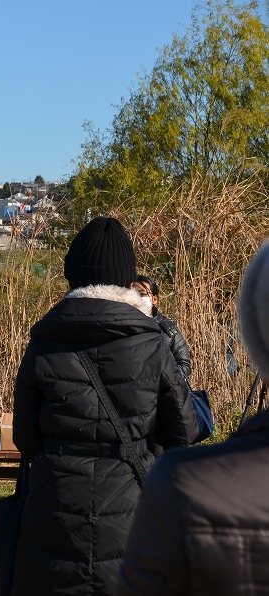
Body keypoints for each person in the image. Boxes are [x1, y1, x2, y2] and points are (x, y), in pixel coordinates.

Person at [11, 216, 199, 595]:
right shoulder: (152, 342)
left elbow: (25, 437)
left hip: (54, 505)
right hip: (133, 509)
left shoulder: (44, 339)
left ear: (73, 276)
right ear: (127, 280)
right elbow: (183, 431)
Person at [116, 239, 269, 595]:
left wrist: (167, 380)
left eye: (145, 292)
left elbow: (183, 363)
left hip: (164, 405)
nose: (139, 297)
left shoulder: (187, 484)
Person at [130, 274, 192, 378]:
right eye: (133, 294)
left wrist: (163, 380)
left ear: (154, 299)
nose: (137, 298)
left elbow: (184, 364)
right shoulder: (121, 325)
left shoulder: (168, 328)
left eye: (142, 294)